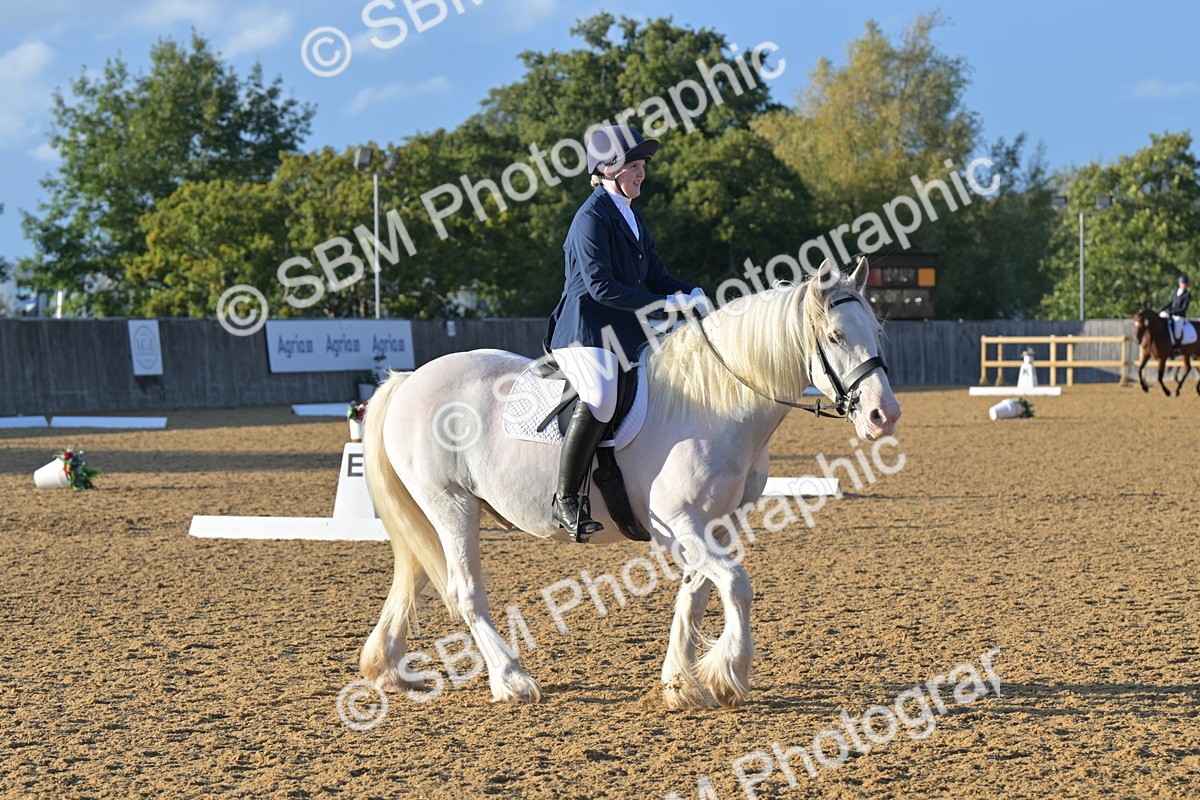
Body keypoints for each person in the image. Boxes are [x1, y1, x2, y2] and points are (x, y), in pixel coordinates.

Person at [543, 125, 708, 541]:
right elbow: (600, 286)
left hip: (625, 328)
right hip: (585, 328)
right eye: (633, 165)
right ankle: (565, 498)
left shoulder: (633, 215)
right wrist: (664, 306)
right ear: (606, 170)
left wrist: (689, 292)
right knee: (600, 397)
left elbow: (655, 275)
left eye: (642, 166)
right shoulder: (590, 218)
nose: (641, 173)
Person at [1160, 274, 1191, 353]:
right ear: (1179, 283)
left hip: (1179, 316)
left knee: (1177, 332)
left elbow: (1183, 309)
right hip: (1170, 313)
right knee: (1159, 318)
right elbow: (1171, 303)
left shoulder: (1187, 295)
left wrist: (1172, 312)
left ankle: (1176, 348)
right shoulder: (1175, 291)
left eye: (1185, 283)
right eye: (1182, 283)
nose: (1184, 285)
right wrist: (1164, 309)